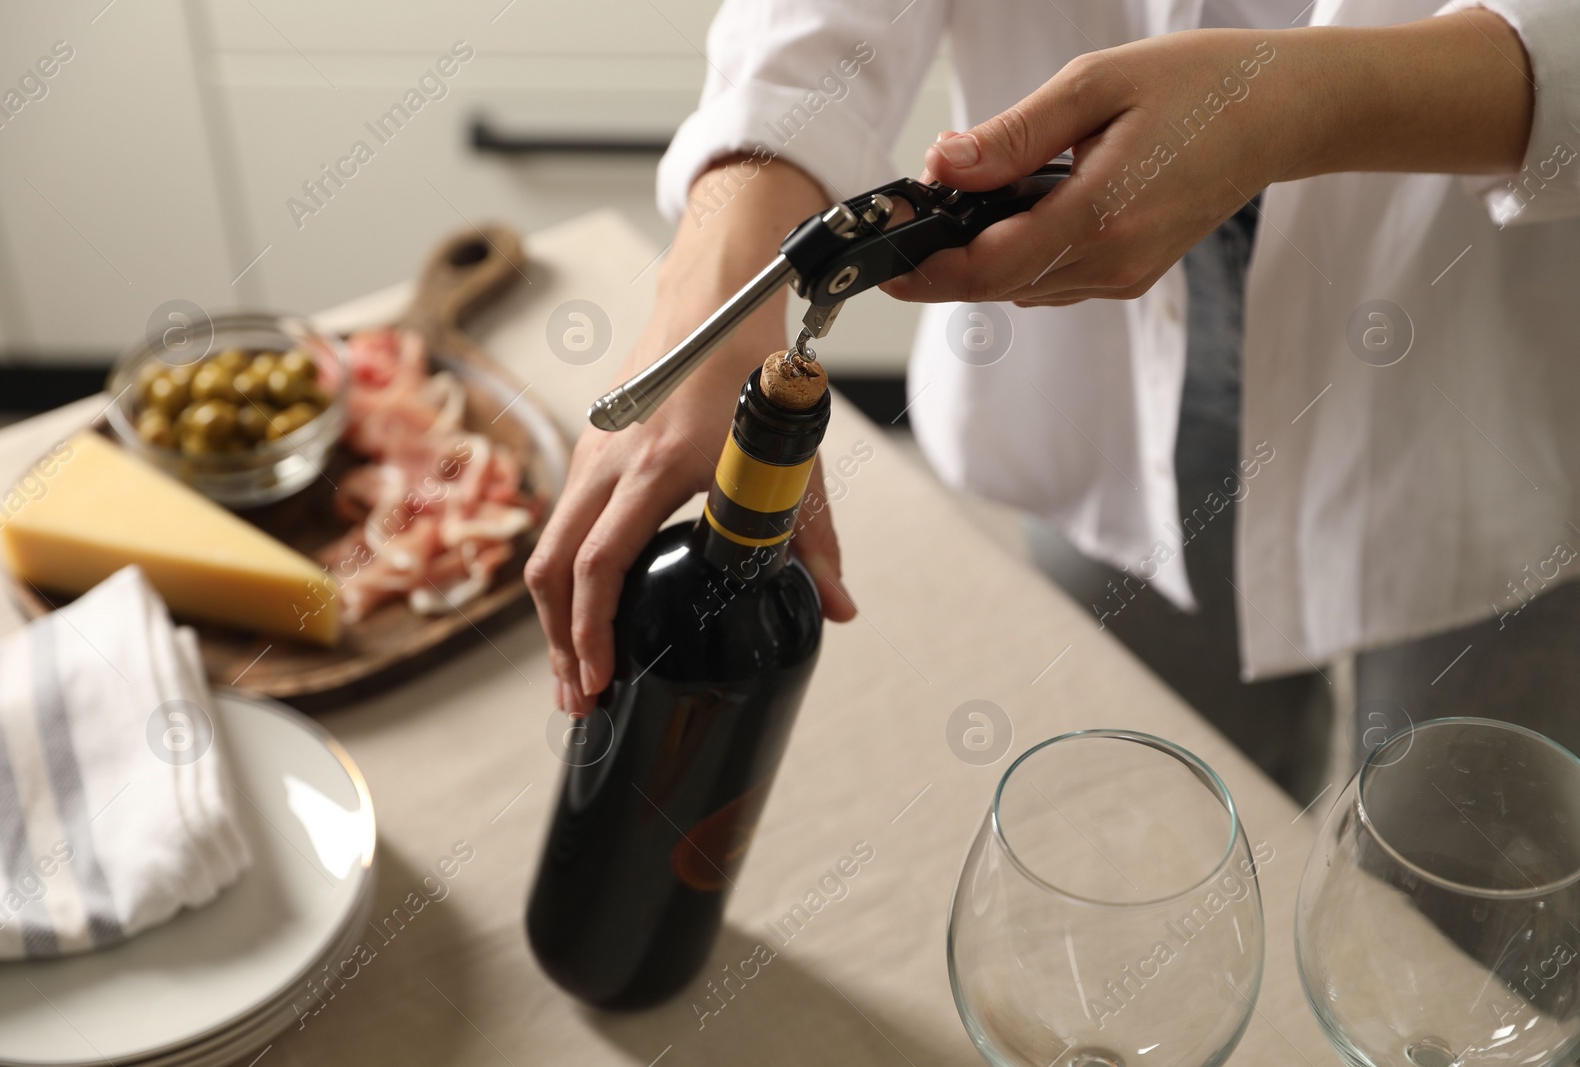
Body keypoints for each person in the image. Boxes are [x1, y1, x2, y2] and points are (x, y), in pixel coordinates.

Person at [525, 0, 1580, 785]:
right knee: (1160, 832)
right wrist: (715, 272)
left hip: (1505, 389)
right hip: (1109, 395)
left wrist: (1290, 104)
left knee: (1469, 922)